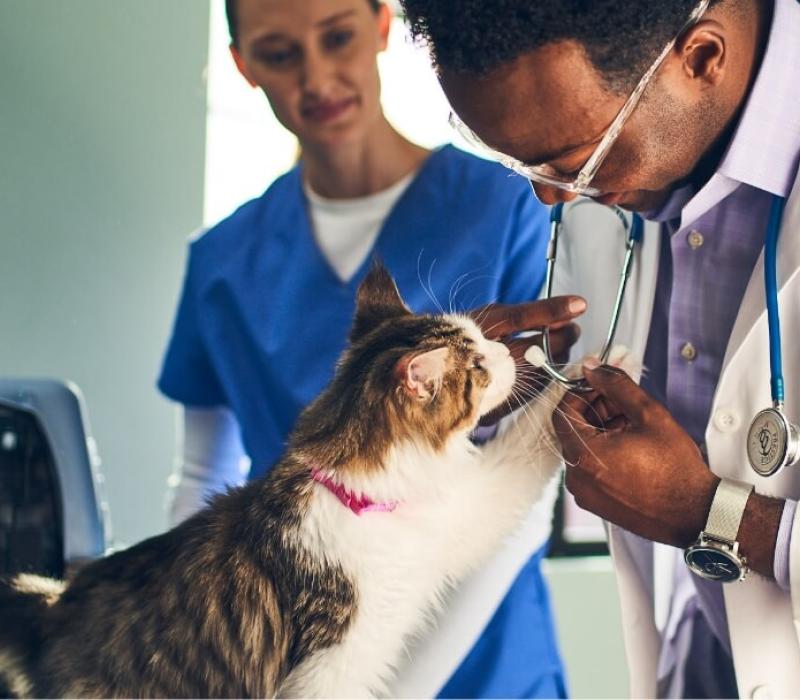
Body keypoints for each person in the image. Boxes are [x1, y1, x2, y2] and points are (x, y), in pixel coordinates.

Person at [158, 0, 582, 696]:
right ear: (243, 66)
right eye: (280, 54)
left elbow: (531, 471)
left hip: (483, 658)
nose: (317, 77)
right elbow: (203, 479)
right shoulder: (221, 261)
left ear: (383, 25)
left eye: (337, 37)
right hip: (294, 647)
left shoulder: (509, 206)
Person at [400, 0, 800, 696]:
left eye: (572, 163)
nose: (550, 197)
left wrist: (707, 515)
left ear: (702, 58)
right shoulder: (636, 153)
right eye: (522, 164)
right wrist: (496, 402)